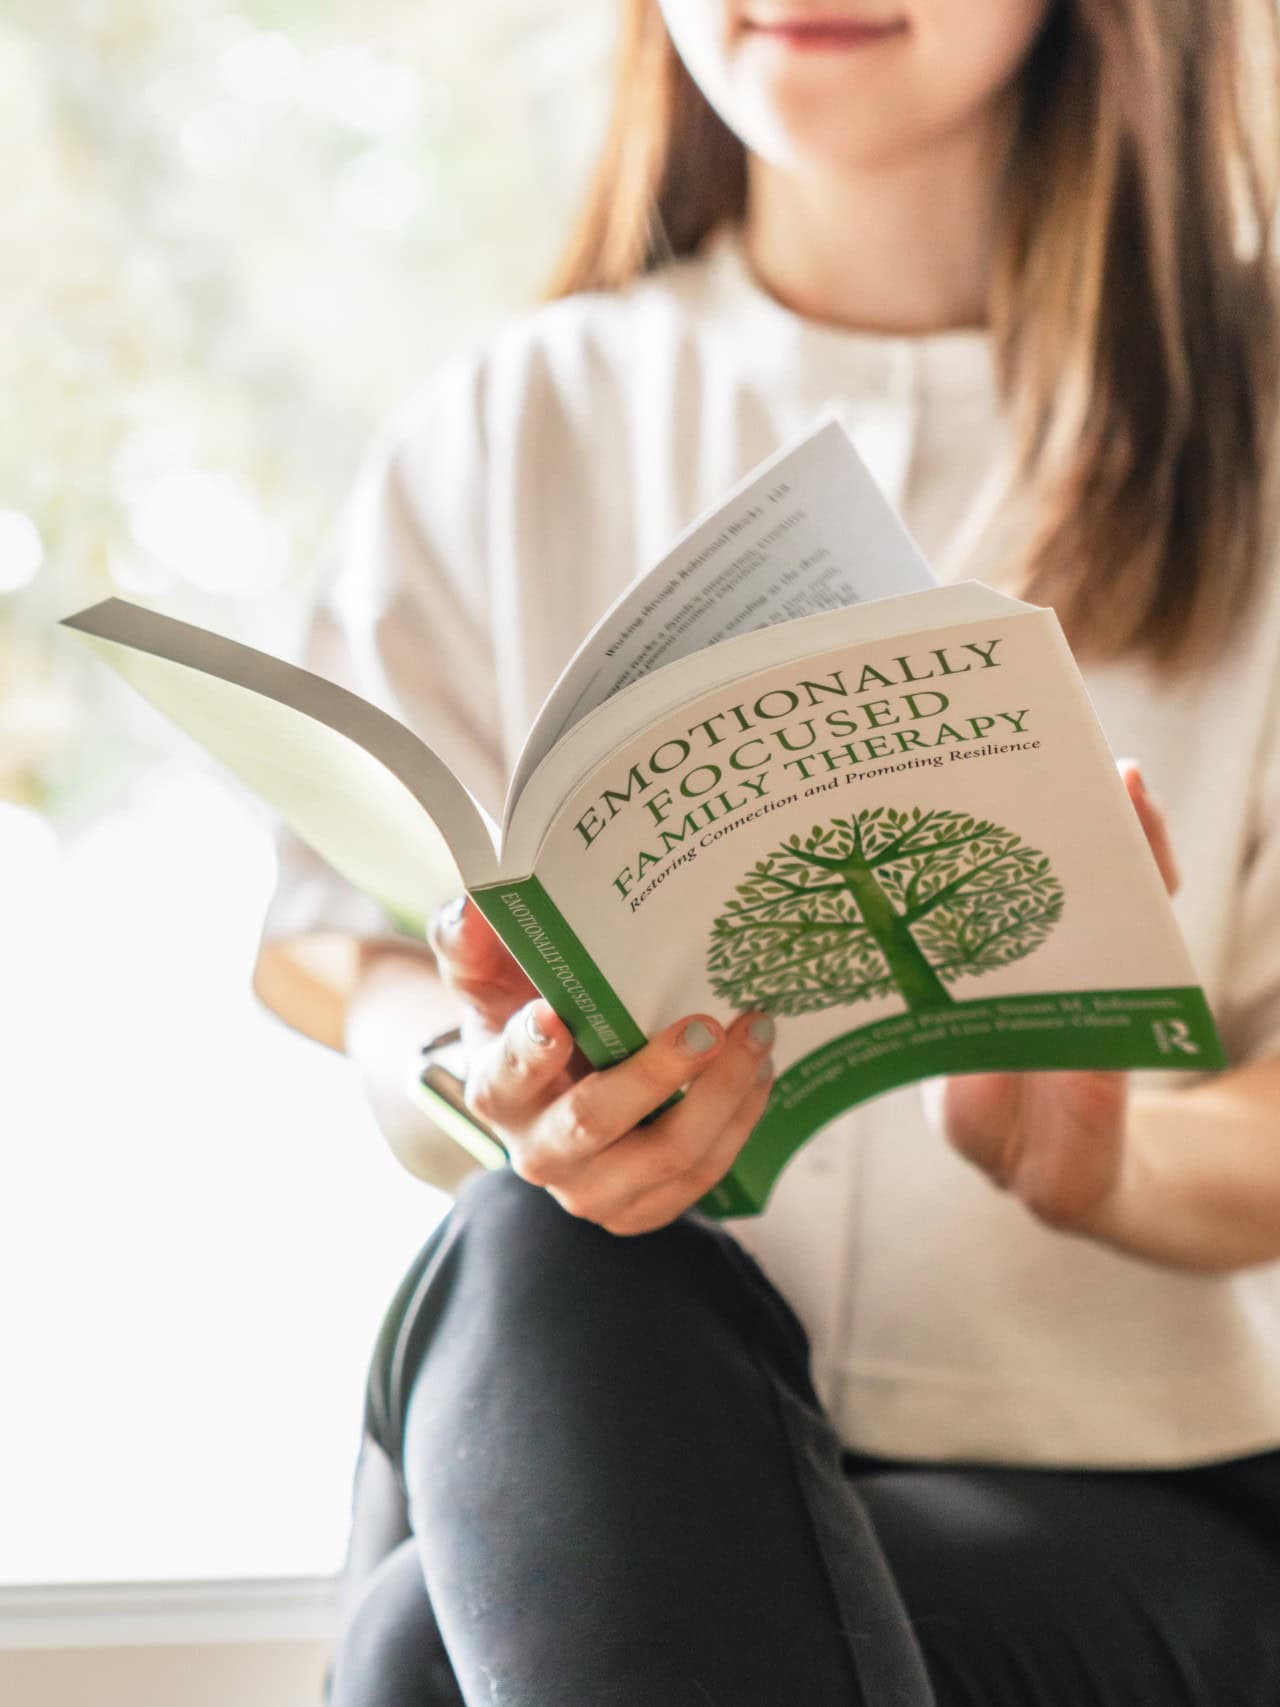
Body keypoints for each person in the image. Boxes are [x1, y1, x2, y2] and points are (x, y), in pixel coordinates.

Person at [252, 2, 1280, 1701]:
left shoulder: (1246, 419)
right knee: (534, 1234)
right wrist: (486, 1077)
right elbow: (340, 945)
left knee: (425, 1651)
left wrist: (1106, 1171)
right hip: (602, 1401)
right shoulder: (523, 410)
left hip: (1145, 1495)